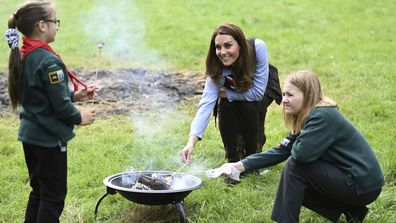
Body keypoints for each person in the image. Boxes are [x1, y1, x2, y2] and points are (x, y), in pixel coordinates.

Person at [219, 70, 384, 222]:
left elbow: (300, 155)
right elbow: (281, 149)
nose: (284, 100)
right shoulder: (312, 114)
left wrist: (296, 137)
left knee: (295, 168)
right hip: (358, 182)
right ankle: (352, 211)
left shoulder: (322, 116)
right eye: (283, 94)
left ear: (308, 95)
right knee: (293, 183)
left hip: (361, 184)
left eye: (290, 95)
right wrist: (239, 166)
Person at [5, 1, 97, 222]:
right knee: (53, 197)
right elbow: (60, 107)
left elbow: (41, 94)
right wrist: (79, 116)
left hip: (30, 136)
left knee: (39, 192)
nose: (57, 26)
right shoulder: (48, 60)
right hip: (48, 139)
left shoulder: (24, 54)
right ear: (42, 26)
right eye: (55, 21)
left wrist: (75, 95)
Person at [180, 23, 274, 165]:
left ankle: (252, 158)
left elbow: (257, 93)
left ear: (240, 45)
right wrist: (190, 143)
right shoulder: (216, 68)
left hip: (262, 86)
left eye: (228, 45)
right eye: (218, 47)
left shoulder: (257, 47)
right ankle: (232, 159)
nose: (222, 52)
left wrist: (226, 94)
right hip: (235, 87)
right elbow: (205, 105)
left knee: (247, 107)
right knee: (225, 105)